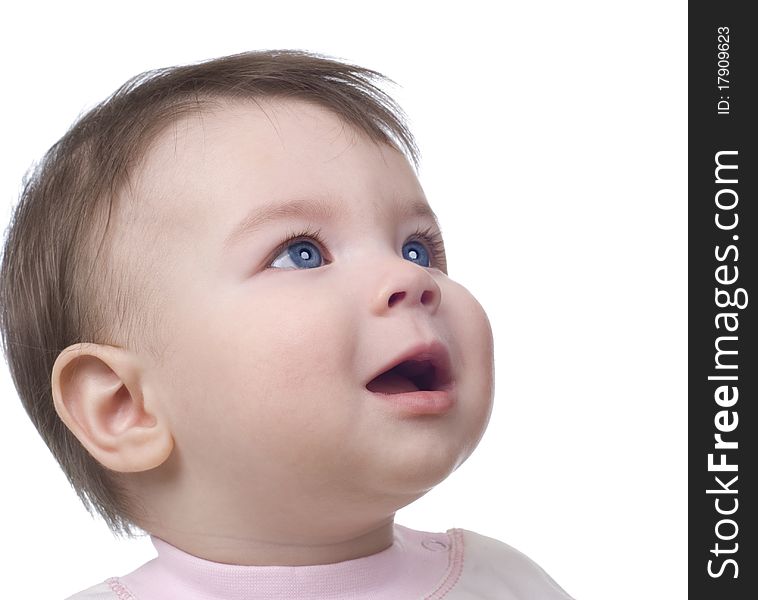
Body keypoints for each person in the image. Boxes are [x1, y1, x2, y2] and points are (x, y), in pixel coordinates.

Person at [0, 50, 574, 600]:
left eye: (417, 248)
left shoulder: (506, 583)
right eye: (300, 252)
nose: (409, 277)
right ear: (124, 405)